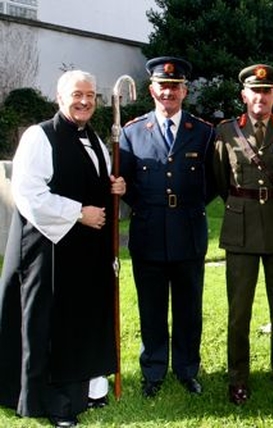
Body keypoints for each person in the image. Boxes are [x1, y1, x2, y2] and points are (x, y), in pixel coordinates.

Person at [0, 70, 125, 428]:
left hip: (83, 254)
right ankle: (53, 403)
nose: (84, 101)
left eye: (90, 95)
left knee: (79, 322)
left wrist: (113, 187)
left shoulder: (96, 140)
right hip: (46, 252)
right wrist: (77, 213)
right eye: (76, 95)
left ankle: (85, 390)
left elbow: (92, 184)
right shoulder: (39, 137)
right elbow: (29, 195)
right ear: (59, 98)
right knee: (51, 325)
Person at [119, 56, 216, 398]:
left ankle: (188, 370)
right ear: (152, 90)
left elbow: (213, 180)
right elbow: (125, 182)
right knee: (152, 307)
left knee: (189, 308)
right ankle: (154, 370)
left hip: (188, 232)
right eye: (163, 86)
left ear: (184, 91)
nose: (169, 92)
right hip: (148, 232)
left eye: (175, 87)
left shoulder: (202, 132)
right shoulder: (132, 132)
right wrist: (149, 205)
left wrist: (189, 207)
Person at [214, 64, 273, 405]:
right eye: (255, 91)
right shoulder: (225, 132)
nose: (261, 97)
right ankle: (237, 377)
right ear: (244, 95)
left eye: (267, 92)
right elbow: (222, 181)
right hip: (241, 228)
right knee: (239, 312)